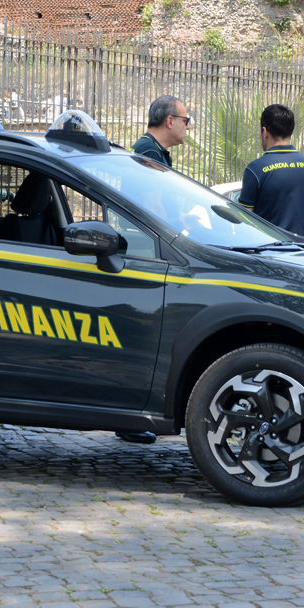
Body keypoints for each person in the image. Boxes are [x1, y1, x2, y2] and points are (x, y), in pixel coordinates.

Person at [116, 94, 192, 445]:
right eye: (186, 119)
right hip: (147, 254)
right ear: (169, 121)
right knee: (145, 332)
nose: (188, 126)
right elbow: (151, 207)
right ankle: (132, 418)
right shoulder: (147, 154)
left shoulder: (154, 152)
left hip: (151, 250)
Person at [237, 104, 304, 239]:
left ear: (264, 132)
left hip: (267, 251)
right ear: (291, 130)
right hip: (303, 251)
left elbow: (243, 220)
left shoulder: (255, 169)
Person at [131, 95, 192, 167]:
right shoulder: (150, 152)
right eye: (185, 121)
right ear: (170, 122)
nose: (188, 127)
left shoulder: (148, 147)